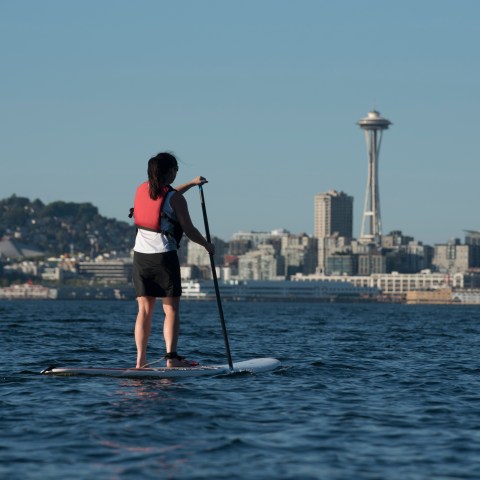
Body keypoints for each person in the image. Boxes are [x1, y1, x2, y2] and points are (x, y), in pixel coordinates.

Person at [131, 152, 215, 368]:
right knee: (171, 309)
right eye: (176, 169)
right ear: (169, 171)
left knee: (144, 310)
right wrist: (207, 245)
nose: (177, 173)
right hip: (164, 257)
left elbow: (167, 194)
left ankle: (141, 362)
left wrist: (193, 182)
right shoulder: (176, 198)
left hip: (140, 258)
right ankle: (172, 359)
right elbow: (189, 229)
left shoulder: (142, 189)